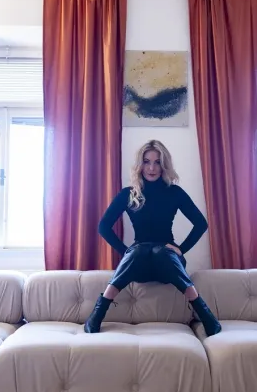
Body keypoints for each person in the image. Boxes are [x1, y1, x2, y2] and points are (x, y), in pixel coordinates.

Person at [84, 140, 222, 337]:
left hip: (168, 263)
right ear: (140, 165)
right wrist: (125, 252)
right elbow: (103, 227)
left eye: (157, 162)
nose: (151, 168)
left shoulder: (174, 192)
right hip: (139, 262)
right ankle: (98, 312)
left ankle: (204, 313)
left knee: (161, 252)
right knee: (139, 250)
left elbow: (201, 223)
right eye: (147, 162)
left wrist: (181, 249)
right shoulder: (129, 194)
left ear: (164, 165)